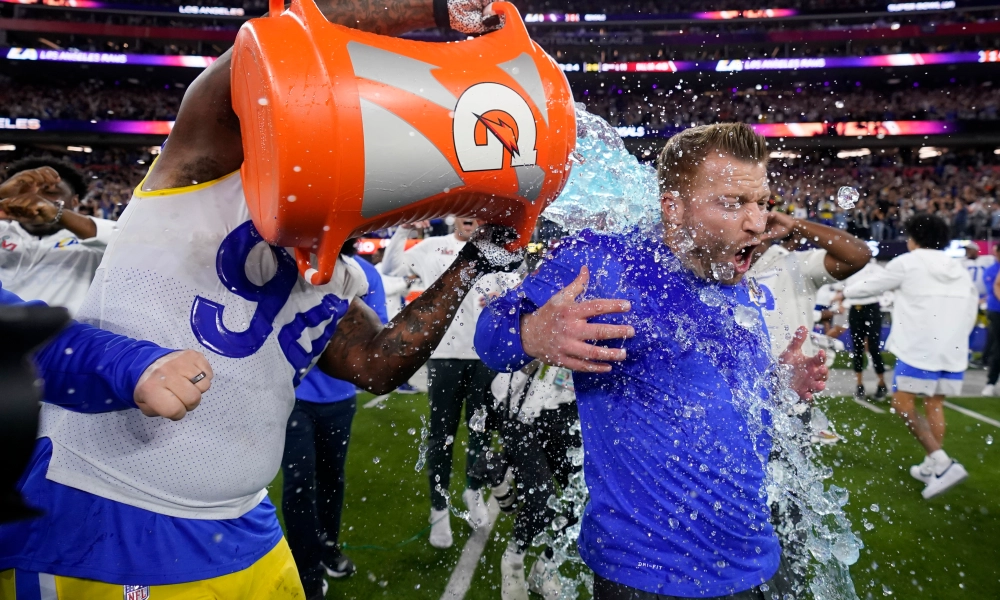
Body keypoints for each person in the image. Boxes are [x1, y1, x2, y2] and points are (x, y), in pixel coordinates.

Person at [0, 2, 519, 599]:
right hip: (111, 516)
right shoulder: (204, 176)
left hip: (244, 523)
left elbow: (375, 365)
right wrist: (430, 7)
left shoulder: (337, 275)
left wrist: (473, 262)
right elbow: (261, 49)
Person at [476, 123, 828, 599]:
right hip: (648, 574)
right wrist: (534, 333)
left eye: (762, 203)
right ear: (673, 209)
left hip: (756, 561)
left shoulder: (735, 286)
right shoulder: (606, 262)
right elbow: (491, 332)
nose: (757, 223)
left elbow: (709, 402)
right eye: (732, 203)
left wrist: (776, 383)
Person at [380, 218, 515, 547]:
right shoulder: (431, 247)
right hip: (443, 355)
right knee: (441, 434)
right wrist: (404, 230)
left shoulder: (496, 251)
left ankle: (473, 490)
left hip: (485, 355)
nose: (472, 219)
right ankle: (439, 509)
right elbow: (389, 266)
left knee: (480, 430)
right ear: (456, 215)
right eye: (466, 212)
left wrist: (504, 296)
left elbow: (516, 289)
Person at [844, 214, 977, 499]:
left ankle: (942, 463)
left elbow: (866, 288)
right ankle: (933, 465)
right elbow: (970, 309)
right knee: (934, 403)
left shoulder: (907, 263)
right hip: (953, 348)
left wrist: (845, 289)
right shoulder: (959, 268)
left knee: (902, 402)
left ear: (914, 238)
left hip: (920, 346)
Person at [281, 241, 388, 594]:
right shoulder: (287, 263)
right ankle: (307, 571)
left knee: (331, 478)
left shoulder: (364, 272)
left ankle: (328, 547)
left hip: (338, 397)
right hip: (292, 396)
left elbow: (377, 336)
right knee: (298, 485)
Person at [491, 362, 581, 600]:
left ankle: (545, 566)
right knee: (541, 501)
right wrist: (537, 350)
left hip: (570, 407)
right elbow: (502, 371)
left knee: (582, 500)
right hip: (523, 413)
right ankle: (512, 562)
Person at [0, 160, 118, 315]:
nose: (36, 199)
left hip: (65, 336)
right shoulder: (3, 230)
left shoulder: (94, 239)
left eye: (50, 193)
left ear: (75, 201)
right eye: (25, 193)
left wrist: (57, 214)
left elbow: (132, 242)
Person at [837, 261, 890, 401]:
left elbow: (885, 286)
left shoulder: (876, 269)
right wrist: (841, 302)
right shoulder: (851, 266)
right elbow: (842, 288)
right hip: (856, 308)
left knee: (873, 347)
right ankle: (859, 385)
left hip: (872, 307)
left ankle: (881, 383)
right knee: (857, 348)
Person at [980, 244, 1000, 395]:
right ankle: (991, 382)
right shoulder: (992, 270)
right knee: (997, 347)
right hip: (996, 310)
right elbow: (995, 287)